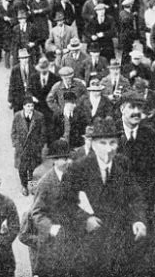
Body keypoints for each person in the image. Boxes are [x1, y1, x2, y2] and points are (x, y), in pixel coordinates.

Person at [60, 116, 147, 277]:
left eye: (112, 143)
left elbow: (135, 197)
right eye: (103, 143)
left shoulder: (123, 164)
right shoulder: (77, 169)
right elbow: (63, 204)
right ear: (92, 144)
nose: (108, 149)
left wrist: (139, 220)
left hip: (119, 243)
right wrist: (84, 219)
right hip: (88, 247)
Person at [30, 140, 73, 277]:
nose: (67, 162)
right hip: (52, 242)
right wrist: (50, 227)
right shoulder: (45, 183)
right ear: (54, 160)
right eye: (63, 159)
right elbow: (36, 213)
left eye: (68, 158)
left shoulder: (74, 179)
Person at [118, 92, 155, 221]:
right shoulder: (112, 133)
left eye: (139, 107)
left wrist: (144, 204)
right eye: (132, 107)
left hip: (144, 205)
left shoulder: (150, 135)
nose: (136, 112)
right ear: (122, 109)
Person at [11, 95, 47, 196]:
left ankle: (31, 185)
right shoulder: (18, 116)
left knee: (31, 168)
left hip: (33, 147)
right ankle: (23, 185)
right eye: (28, 106)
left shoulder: (39, 116)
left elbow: (43, 133)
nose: (30, 108)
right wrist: (16, 144)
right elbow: (13, 132)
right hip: (21, 148)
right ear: (23, 106)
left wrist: (39, 146)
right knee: (22, 168)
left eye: (32, 106)